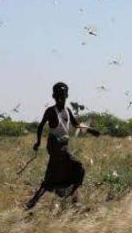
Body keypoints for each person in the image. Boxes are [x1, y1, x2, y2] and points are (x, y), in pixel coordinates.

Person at [25, 82, 88, 210]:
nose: (61, 97)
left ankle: (32, 202)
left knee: (51, 177)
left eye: (63, 95)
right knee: (78, 168)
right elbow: (41, 125)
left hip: (63, 147)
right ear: (54, 96)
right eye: (59, 95)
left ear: (67, 95)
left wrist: (91, 129)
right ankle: (74, 201)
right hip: (55, 146)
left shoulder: (67, 110)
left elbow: (76, 125)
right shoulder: (50, 111)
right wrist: (38, 142)